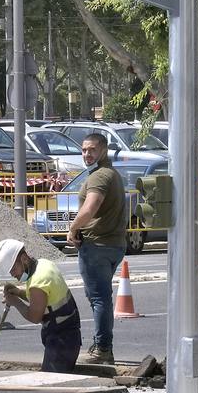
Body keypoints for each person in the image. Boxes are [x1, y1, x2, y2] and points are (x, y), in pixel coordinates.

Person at [66, 132, 127, 365]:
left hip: (97, 246)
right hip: (114, 245)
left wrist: (72, 229)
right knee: (100, 296)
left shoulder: (100, 176)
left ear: (103, 150)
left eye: (91, 150)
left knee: (99, 298)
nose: (87, 154)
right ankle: (103, 346)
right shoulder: (111, 174)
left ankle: (102, 348)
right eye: (83, 150)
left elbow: (91, 207)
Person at [0, 238, 82, 373]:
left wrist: (15, 302)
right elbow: (42, 299)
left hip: (62, 342)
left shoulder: (38, 281)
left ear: (24, 259)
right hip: (67, 336)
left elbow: (34, 316)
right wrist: (18, 292)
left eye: (13, 269)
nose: (13, 274)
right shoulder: (44, 264)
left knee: (50, 382)